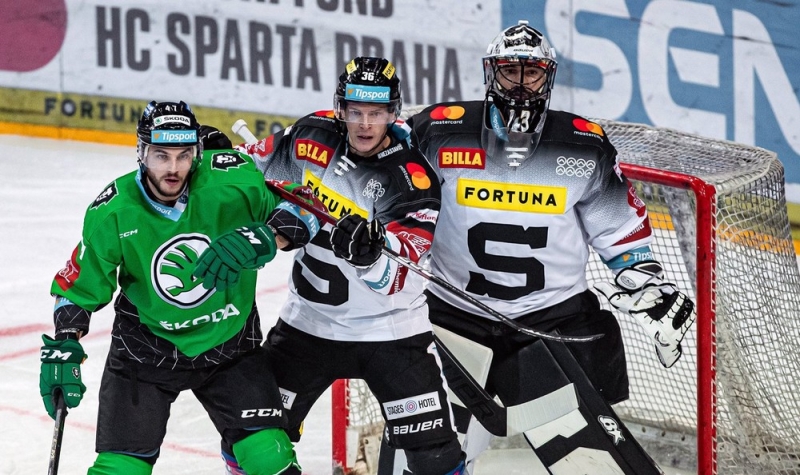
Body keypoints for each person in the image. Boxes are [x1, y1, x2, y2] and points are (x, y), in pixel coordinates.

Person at [379, 21, 696, 474]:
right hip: (450, 318)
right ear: (491, 73)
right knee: (421, 458)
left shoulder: (583, 144)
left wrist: (643, 279)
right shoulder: (438, 130)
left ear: (548, 76)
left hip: (551, 319)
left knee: (593, 462)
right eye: (511, 71)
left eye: (533, 72)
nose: (522, 83)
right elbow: (387, 184)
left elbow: (619, 225)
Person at [195, 57, 466, 475]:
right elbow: (255, 168)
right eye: (355, 111)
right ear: (340, 107)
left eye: (376, 113)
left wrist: (372, 256)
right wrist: (218, 160)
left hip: (391, 331)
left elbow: (399, 274)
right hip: (308, 327)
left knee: (437, 459)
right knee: (247, 440)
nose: (364, 124)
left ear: (393, 112)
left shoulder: (412, 177)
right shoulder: (312, 134)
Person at [38, 100, 316, 475]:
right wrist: (64, 343)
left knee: (271, 458)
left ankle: (243, 453)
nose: (172, 168)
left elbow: (310, 206)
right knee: (120, 470)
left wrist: (270, 236)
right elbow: (77, 287)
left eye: (183, 155)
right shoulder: (114, 211)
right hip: (145, 352)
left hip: (230, 346)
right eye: (161, 155)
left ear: (197, 153)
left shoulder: (233, 181)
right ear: (141, 152)